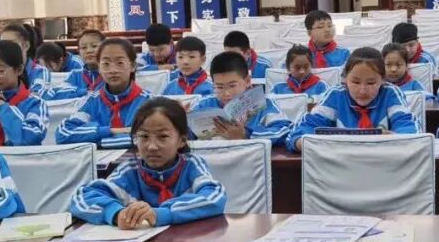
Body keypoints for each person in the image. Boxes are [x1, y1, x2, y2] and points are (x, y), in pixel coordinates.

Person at [69, 98, 226, 228]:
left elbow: (215, 197)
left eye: (163, 137)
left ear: (182, 140)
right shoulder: (130, 170)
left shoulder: (191, 165)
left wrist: (162, 213)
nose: (152, 146)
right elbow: (82, 198)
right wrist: (116, 213)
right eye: (144, 137)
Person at [287, 47, 418, 152]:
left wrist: (395, 139)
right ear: (345, 79)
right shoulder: (336, 95)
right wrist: (302, 142)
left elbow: (408, 126)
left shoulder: (390, 94)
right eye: (355, 82)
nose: (362, 91)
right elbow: (306, 127)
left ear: (383, 80)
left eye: (371, 83)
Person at [56, 38, 151, 148]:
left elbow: (150, 138)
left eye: (120, 63)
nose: (113, 70)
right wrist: (112, 131)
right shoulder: (92, 101)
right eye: (106, 64)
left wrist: (97, 142)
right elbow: (63, 134)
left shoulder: (148, 102)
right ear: (99, 68)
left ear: (133, 66)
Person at [191, 51, 292, 146]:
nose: (226, 93)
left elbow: (284, 130)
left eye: (232, 86)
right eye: (219, 87)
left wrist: (246, 134)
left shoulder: (264, 103)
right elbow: (187, 134)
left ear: (247, 81)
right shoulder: (204, 105)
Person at [43, 30, 106, 100]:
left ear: (105, 48)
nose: (89, 51)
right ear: (79, 52)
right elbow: (59, 94)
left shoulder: (110, 74)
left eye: (94, 46)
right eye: (84, 47)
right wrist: (86, 92)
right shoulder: (75, 75)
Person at [1, 24, 51, 92]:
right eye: (1, 44)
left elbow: (37, 95)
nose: (5, 48)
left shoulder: (40, 72)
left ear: (26, 46)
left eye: (11, 44)